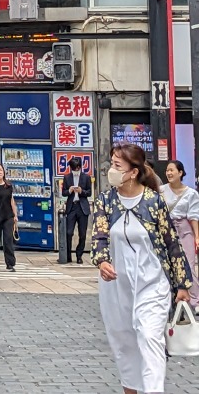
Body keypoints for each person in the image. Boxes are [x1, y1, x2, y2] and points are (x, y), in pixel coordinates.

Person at [92, 144, 193, 394]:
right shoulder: (105, 201)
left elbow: (172, 243)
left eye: (117, 166)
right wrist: (102, 261)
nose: (111, 170)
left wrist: (182, 284)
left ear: (133, 172)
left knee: (149, 337)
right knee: (124, 342)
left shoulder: (153, 202)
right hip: (117, 286)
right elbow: (99, 237)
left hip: (152, 282)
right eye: (111, 164)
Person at [160, 159, 199, 313]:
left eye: (172, 170)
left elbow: (194, 217)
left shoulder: (191, 194)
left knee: (188, 266)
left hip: (184, 231)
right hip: (166, 231)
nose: (169, 173)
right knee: (168, 266)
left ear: (180, 173)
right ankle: (171, 299)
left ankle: (195, 301)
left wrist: (197, 236)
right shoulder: (161, 190)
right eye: (167, 170)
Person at [61, 155, 92, 265]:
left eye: (76, 169)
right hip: (71, 207)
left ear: (79, 167)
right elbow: (63, 193)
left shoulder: (86, 177)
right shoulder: (67, 177)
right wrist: (69, 190)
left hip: (82, 207)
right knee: (69, 232)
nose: (75, 171)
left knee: (82, 234)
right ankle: (68, 255)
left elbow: (89, 193)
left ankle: (79, 255)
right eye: (73, 169)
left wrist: (81, 191)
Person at [0, 163, 18, 271]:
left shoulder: (8, 186)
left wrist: (15, 215)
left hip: (8, 216)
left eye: (1, 170)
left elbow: (12, 201)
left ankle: (10, 264)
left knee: (8, 240)